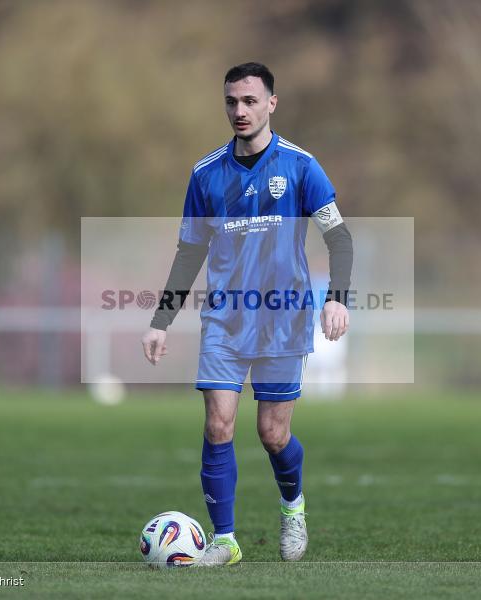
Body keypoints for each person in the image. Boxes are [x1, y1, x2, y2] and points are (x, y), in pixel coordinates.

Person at [141, 63, 353, 566]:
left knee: (272, 434)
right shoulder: (205, 174)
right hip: (225, 319)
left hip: (283, 318)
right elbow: (189, 252)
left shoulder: (300, 166)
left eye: (251, 101)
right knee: (218, 424)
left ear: (271, 103)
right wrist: (161, 320)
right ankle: (225, 541)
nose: (240, 110)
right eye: (232, 101)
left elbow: (338, 236)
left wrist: (337, 297)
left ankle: (292, 504)